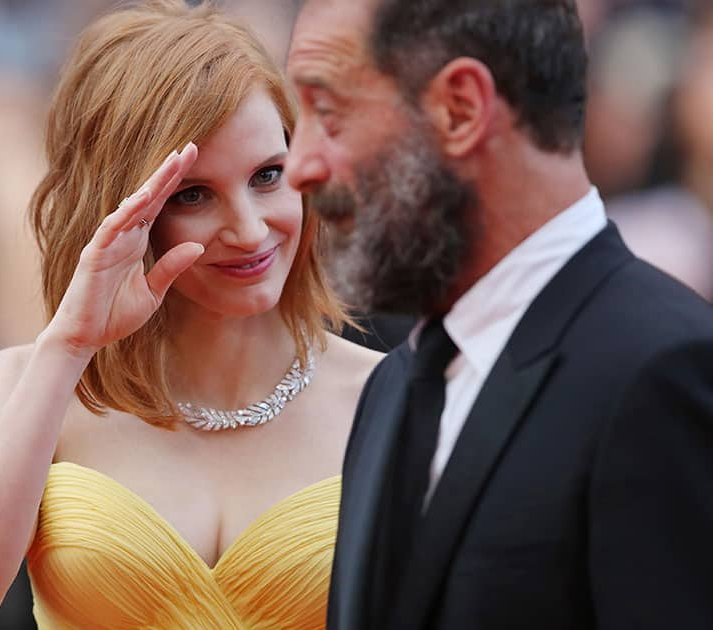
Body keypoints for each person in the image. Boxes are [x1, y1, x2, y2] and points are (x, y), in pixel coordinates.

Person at [0, 1, 381, 628]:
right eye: (194, 194)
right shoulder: (20, 386)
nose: (248, 229)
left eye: (268, 175)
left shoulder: (387, 395)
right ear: (121, 208)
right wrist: (70, 345)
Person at [284, 1, 713, 629]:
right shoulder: (393, 385)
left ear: (460, 108)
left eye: (328, 113)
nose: (299, 166)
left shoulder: (661, 370)